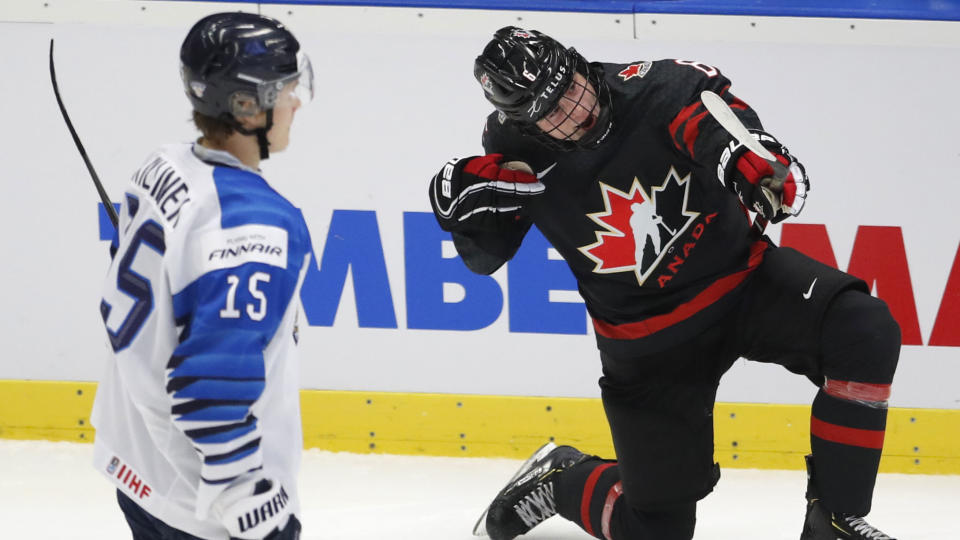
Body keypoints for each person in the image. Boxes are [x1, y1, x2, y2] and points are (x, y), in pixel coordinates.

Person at [428, 27, 900, 540]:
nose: (574, 111)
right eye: (551, 112)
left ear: (579, 62)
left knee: (863, 327)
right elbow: (485, 260)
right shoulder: (514, 154)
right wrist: (464, 215)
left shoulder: (654, 88)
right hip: (647, 346)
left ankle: (833, 519)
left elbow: (713, 122)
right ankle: (564, 478)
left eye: (571, 89)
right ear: (524, 121)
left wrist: (756, 163)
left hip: (744, 284)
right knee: (655, 531)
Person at [91, 12, 314, 539]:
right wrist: (248, 501)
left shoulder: (161, 165)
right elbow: (211, 384)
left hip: (138, 467)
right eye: (283, 89)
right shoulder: (255, 222)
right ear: (245, 105)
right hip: (204, 503)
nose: (296, 101)